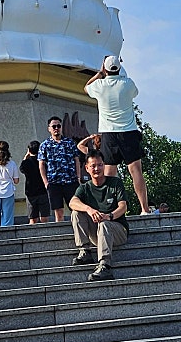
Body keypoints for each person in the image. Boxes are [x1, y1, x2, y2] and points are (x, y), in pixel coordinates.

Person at [85, 55, 150, 216]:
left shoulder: (100, 85)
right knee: (136, 171)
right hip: (128, 131)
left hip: (109, 132)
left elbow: (86, 87)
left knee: (108, 173)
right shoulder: (128, 84)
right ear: (119, 67)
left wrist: (100, 74)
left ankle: (106, 208)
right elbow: (135, 93)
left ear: (105, 68)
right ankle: (145, 209)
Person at [69, 150, 129, 282]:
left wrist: (109, 216)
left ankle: (105, 265)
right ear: (87, 168)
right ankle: (84, 251)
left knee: (104, 224)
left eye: (100, 165)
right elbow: (72, 202)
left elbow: (123, 206)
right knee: (76, 213)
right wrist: (89, 209)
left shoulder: (115, 183)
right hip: (97, 232)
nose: (97, 169)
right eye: (93, 166)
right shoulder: (85, 188)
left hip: (117, 230)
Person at [36, 115, 79, 223]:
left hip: (70, 181)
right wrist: (46, 182)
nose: (56, 128)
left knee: (76, 209)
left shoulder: (69, 143)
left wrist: (78, 177)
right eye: (54, 126)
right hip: (54, 183)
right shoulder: (45, 145)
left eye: (58, 126)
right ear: (49, 128)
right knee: (58, 212)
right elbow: (41, 164)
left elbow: (76, 160)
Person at [18, 140, 47, 224]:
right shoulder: (42, 162)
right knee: (44, 216)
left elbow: (22, 169)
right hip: (43, 190)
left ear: (29, 150)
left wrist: (26, 155)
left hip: (30, 192)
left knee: (33, 217)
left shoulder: (26, 163)